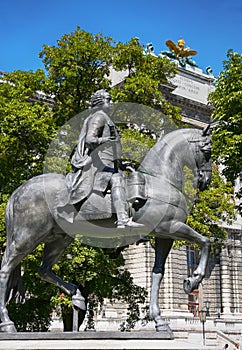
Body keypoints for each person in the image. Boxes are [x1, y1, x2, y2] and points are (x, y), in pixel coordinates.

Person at [66, 89, 144, 228]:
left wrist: (120, 164)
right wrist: (106, 139)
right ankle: (123, 219)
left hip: (108, 164)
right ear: (100, 102)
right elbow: (90, 139)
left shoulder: (104, 117)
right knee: (117, 180)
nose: (111, 103)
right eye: (109, 100)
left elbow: (109, 152)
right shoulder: (99, 117)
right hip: (97, 165)